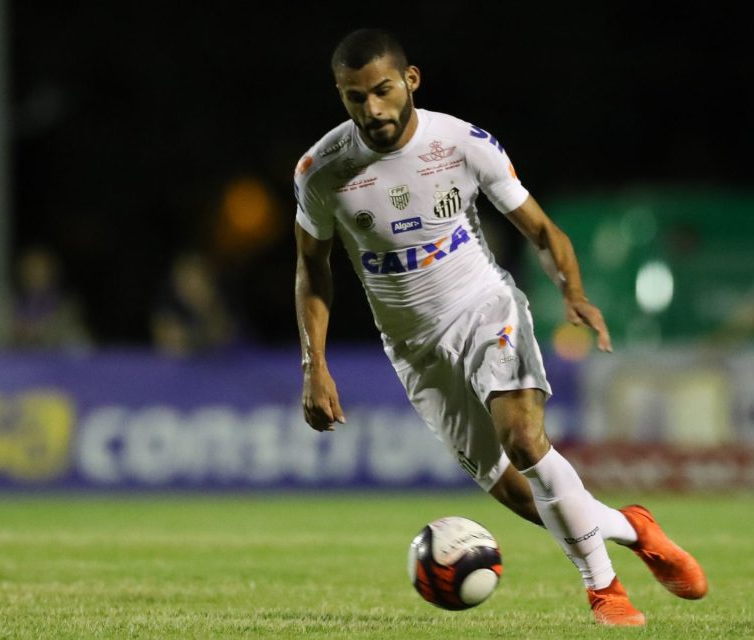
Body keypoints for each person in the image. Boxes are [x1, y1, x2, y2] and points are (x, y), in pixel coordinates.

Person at [293, 28, 706, 626]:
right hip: (413, 347)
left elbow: (542, 230)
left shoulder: (462, 144)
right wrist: (315, 364)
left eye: (382, 90)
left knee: (524, 439)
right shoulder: (321, 170)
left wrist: (576, 292)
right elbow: (312, 269)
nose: (372, 109)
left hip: (485, 307)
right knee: (517, 491)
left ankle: (604, 589)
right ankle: (632, 527)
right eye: (355, 98)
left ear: (410, 81)